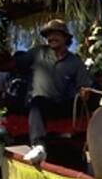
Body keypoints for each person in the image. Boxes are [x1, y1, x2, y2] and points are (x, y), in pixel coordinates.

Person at [15, 19, 93, 164]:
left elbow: (84, 85)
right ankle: (39, 146)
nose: (51, 38)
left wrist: (84, 92)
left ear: (65, 38)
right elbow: (16, 64)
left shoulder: (75, 61)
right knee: (37, 102)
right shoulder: (38, 53)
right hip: (38, 105)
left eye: (55, 34)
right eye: (48, 35)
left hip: (62, 105)